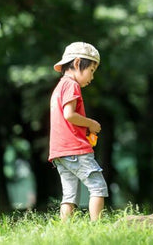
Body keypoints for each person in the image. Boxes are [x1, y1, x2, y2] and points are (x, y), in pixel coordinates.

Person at [48, 42, 108, 221]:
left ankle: (65, 231)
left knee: (70, 196)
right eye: (91, 70)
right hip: (75, 149)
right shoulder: (71, 85)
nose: (92, 77)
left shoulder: (60, 87)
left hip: (60, 152)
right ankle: (98, 227)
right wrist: (91, 124)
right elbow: (70, 115)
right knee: (98, 186)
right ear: (76, 64)